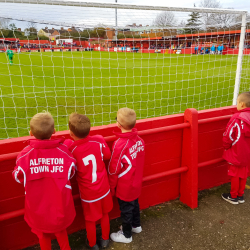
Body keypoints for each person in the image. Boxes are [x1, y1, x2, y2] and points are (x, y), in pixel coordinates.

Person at [12, 112, 76, 250]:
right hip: (59, 206)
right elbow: (72, 171)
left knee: (42, 235)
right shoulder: (64, 151)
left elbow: (17, 176)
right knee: (61, 233)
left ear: (30, 133)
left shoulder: (25, 155)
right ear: (54, 131)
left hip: (37, 208)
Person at [68, 113, 113, 250]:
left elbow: (71, 171)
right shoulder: (98, 140)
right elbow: (107, 155)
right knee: (105, 215)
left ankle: (92, 244)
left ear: (71, 133)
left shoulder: (72, 149)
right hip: (104, 188)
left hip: (89, 194)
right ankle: (105, 239)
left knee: (90, 219)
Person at [109, 108, 145, 243]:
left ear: (118, 124)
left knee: (126, 209)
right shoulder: (140, 140)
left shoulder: (119, 144)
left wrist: (112, 186)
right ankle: (136, 226)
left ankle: (126, 234)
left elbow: (113, 169)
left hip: (125, 184)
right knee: (134, 204)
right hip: (136, 182)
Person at [222, 92, 250, 205]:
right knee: (243, 174)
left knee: (234, 174)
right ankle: (240, 195)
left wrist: (226, 146)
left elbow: (228, 135)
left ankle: (233, 196)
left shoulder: (237, 118)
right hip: (247, 154)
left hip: (236, 152)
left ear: (242, 104)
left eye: (237, 102)